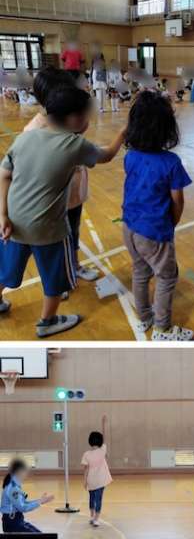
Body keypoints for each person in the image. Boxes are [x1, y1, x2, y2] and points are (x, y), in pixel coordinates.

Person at [0, 85, 126, 337]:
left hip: (13, 223)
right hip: (49, 229)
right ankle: (47, 322)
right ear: (75, 118)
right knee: (55, 278)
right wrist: (123, 132)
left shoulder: (25, 137)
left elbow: (4, 175)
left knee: (6, 270)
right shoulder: (74, 144)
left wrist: (2, 215)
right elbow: (107, 155)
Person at [122, 90, 194, 341]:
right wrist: (172, 223)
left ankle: (144, 317)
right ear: (167, 128)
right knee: (167, 276)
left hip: (129, 227)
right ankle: (162, 328)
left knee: (140, 271)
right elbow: (178, 200)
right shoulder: (171, 162)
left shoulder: (130, 156)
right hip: (154, 231)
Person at [24, 66, 99, 286]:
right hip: (51, 199)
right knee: (51, 243)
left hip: (73, 192)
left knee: (73, 231)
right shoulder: (34, 130)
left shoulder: (67, 120)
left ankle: (74, 265)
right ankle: (57, 279)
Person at [1, 458, 54, 532]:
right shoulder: (13, 488)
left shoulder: (15, 485)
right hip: (12, 524)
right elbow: (23, 508)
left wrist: (40, 500)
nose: (27, 473)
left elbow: (24, 503)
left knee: (39, 533)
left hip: (16, 521)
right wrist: (40, 502)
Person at [81, 416, 112, 527]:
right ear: (100, 441)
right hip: (100, 481)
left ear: (90, 441)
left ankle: (91, 516)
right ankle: (96, 519)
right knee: (98, 499)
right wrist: (103, 424)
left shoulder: (86, 454)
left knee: (92, 498)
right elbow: (104, 437)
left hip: (91, 481)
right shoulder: (102, 450)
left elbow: (85, 469)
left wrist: (85, 481)